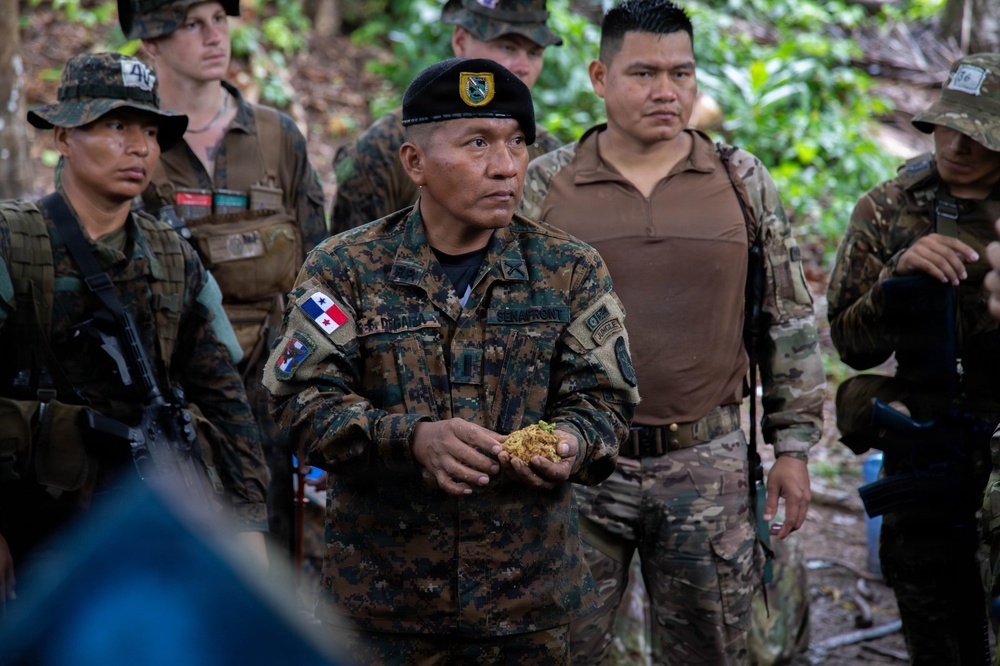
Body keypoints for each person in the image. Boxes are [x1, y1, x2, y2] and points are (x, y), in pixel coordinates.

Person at [263, 57, 639, 664]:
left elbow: (607, 401)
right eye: (477, 143)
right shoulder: (346, 270)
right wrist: (408, 440)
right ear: (415, 164)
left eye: (517, 142)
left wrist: (571, 441)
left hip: (526, 612)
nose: (506, 165)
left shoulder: (569, 268)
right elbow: (297, 402)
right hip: (384, 610)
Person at [520, 1, 826, 662]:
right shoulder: (545, 185)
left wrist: (794, 448)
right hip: (576, 465)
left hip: (705, 465)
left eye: (682, 74)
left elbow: (789, 321)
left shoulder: (741, 182)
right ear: (600, 77)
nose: (667, 91)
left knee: (710, 648)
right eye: (644, 73)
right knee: (557, 646)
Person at [0, 52, 270, 609]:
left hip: (148, 525)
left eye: (150, 131)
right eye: (115, 126)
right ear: (64, 137)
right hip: (32, 526)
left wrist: (246, 527)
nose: (139, 147)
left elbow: (224, 398)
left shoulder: (175, 258)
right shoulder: (13, 243)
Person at [117, 0, 328, 563]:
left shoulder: (278, 139)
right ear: (151, 43)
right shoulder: (124, 147)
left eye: (219, 18)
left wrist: (319, 383)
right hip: (168, 396)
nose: (215, 36)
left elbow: (321, 277)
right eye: (191, 23)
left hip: (273, 393)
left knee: (276, 571)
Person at [828, 53, 1000, 665]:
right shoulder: (888, 207)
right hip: (926, 454)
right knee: (936, 637)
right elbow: (849, 345)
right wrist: (895, 281)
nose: (957, 145)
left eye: (978, 133)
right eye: (948, 126)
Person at [329, 0, 564, 235]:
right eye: (507, 48)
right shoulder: (384, 144)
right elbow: (352, 255)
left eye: (535, 53)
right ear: (460, 41)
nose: (523, 66)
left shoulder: (547, 151)